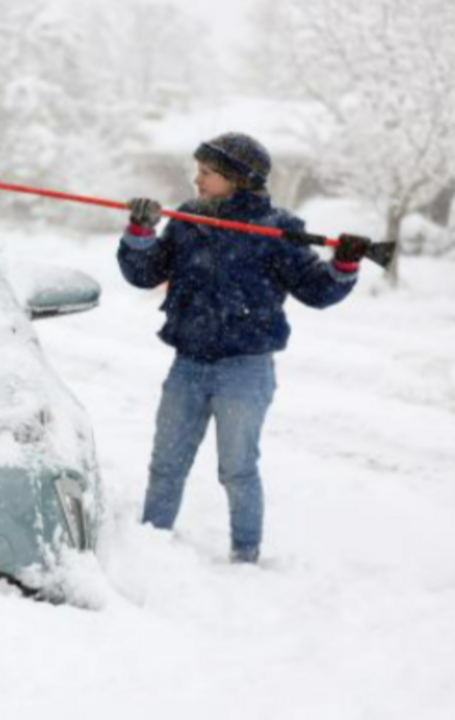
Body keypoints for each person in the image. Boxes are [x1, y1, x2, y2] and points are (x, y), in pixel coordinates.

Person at [117, 132, 371, 564]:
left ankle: (245, 555)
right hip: (188, 364)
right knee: (166, 466)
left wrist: (343, 264)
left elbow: (316, 290)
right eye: (197, 171)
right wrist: (140, 232)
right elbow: (145, 272)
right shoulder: (188, 220)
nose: (196, 180)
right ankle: (150, 550)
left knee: (236, 470)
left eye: (206, 173)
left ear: (238, 179)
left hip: (245, 369)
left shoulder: (278, 230)